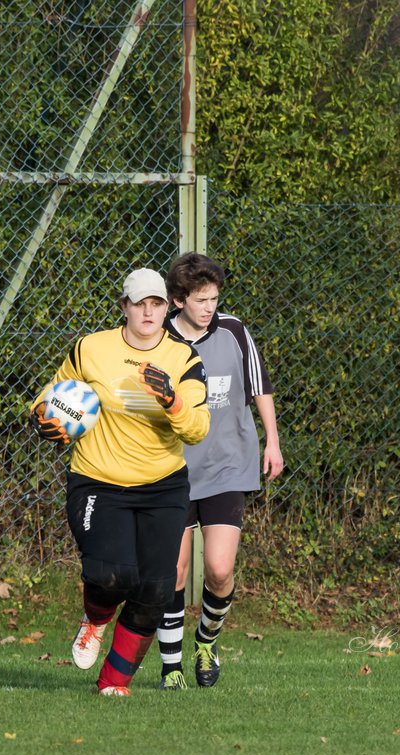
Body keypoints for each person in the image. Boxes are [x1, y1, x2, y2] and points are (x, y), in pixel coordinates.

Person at [30, 268, 210, 696]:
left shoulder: (183, 359)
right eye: (139, 303)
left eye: (157, 304)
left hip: (162, 485)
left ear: (168, 307)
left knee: (158, 588)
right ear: (124, 306)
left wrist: (172, 400)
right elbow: (51, 393)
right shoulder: (91, 348)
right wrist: (43, 415)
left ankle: (114, 682)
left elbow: (198, 428)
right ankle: (94, 619)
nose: (148, 312)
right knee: (113, 577)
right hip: (97, 480)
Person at [155, 252, 284, 689]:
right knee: (172, 572)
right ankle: (170, 668)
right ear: (177, 301)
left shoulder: (233, 330)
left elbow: (259, 386)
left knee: (220, 569)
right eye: (200, 300)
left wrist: (273, 442)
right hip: (174, 470)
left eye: (214, 298)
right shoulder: (159, 340)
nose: (210, 307)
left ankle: (206, 643)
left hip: (229, 465)